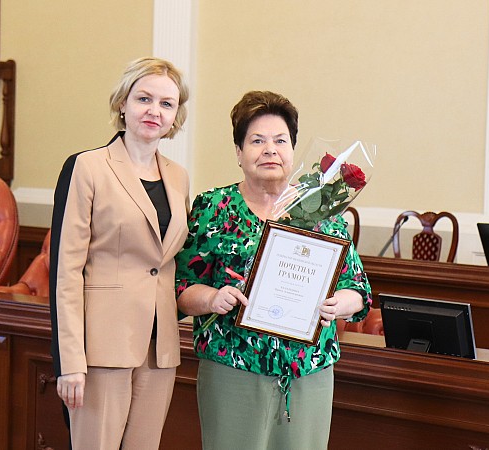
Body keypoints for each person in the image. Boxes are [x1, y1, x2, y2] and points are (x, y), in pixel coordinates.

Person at [175, 91, 372, 450]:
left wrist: (337, 304)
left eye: (280, 140)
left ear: (293, 150)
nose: (270, 150)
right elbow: (182, 288)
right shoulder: (214, 207)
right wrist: (213, 298)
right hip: (233, 367)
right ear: (239, 152)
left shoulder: (323, 210)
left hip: (308, 372)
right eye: (257, 141)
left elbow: (358, 291)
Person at [49, 56, 190, 450]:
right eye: (144, 98)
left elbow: (170, 261)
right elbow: (66, 271)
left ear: (175, 116)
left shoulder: (179, 177)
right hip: (101, 347)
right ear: (123, 103)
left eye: (166, 104)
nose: (154, 111)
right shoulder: (87, 167)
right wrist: (70, 362)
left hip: (159, 348)